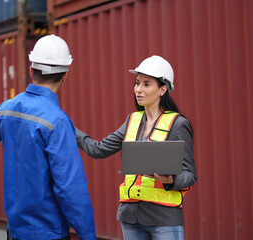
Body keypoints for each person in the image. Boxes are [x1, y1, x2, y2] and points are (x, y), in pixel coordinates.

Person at [0, 35, 96, 240]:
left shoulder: (7, 109)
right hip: (48, 233)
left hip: (15, 231)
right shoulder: (58, 121)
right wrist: (88, 236)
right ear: (65, 75)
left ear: (32, 71)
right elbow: (70, 190)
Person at [75, 55, 197, 240]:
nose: (138, 90)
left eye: (146, 84)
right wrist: (67, 127)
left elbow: (190, 175)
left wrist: (171, 179)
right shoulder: (132, 121)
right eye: (137, 83)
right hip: (130, 218)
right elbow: (98, 149)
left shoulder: (178, 124)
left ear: (162, 90)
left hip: (163, 218)